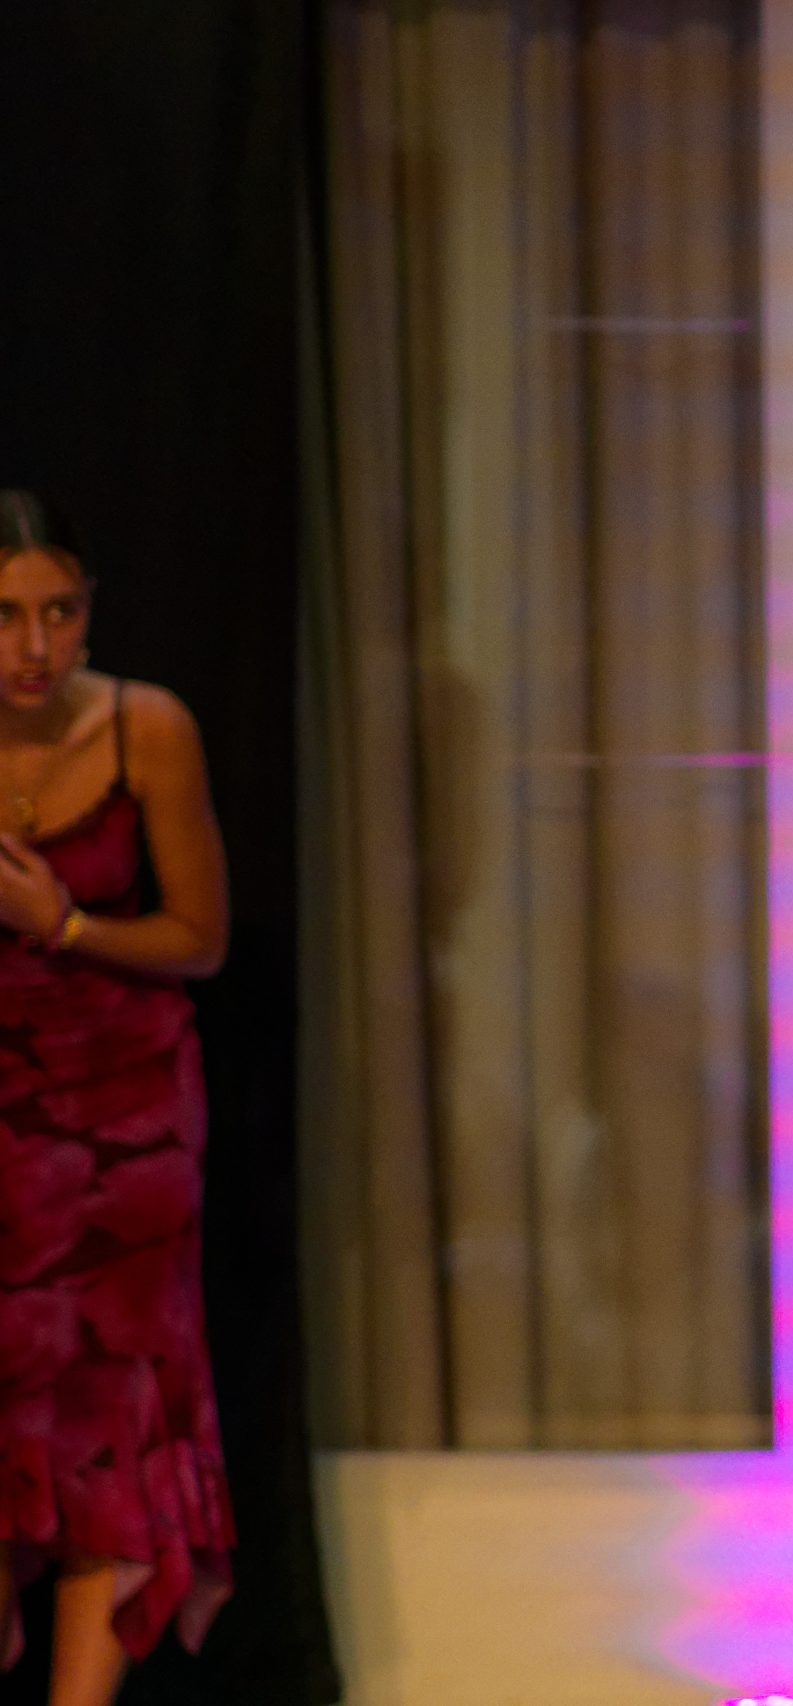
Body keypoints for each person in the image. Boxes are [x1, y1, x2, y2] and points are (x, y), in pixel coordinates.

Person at [0, 491, 233, 1703]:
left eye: (61, 611)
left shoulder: (149, 727)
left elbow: (201, 939)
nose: (35, 645)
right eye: (5, 616)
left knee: (109, 1421)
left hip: (125, 1115)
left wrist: (67, 924)